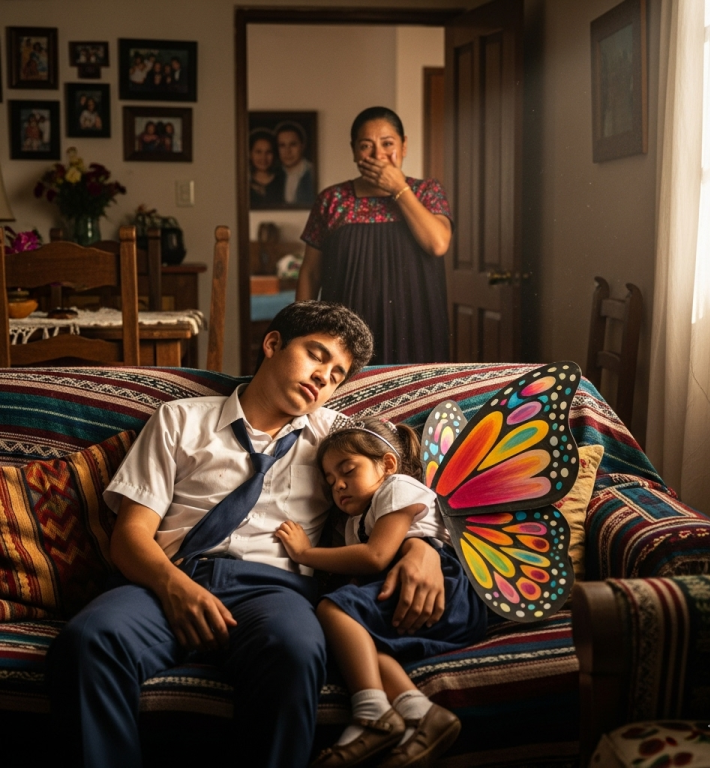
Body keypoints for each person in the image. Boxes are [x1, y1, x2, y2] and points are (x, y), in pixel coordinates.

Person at [45, 301, 447, 768]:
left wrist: (423, 548)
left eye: (336, 374)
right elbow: (130, 535)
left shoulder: (338, 439)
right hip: (167, 578)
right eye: (316, 355)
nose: (323, 377)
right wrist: (174, 588)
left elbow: (401, 488)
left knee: (295, 650)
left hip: (274, 590)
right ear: (273, 344)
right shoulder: (179, 420)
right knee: (88, 642)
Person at [276, 416, 486, 768]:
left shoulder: (398, 487)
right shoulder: (355, 525)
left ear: (387, 464)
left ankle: (371, 714)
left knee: (333, 612)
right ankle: (422, 714)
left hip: (446, 590)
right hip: (406, 597)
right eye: (330, 481)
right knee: (362, 644)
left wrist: (303, 554)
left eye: (348, 471)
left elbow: (375, 557)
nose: (338, 486)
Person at [297, 106, 453, 365]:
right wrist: (301, 330)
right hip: (346, 332)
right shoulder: (332, 199)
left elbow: (438, 244)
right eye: (366, 146)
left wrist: (398, 187)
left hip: (415, 326)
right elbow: (310, 273)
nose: (378, 155)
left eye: (387, 144)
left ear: (404, 146)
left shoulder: (427, 192)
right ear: (354, 150)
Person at [276, 121, 315, 205]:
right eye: (282, 145)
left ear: (302, 146)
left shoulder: (312, 173)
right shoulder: (274, 175)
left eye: (293, 144)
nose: (287, 151)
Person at [249, 128, 284, 208]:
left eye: (268, 152)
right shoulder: (245, 184)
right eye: (258, 152)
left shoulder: (284, 181)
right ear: (250, 154)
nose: (263, 158)